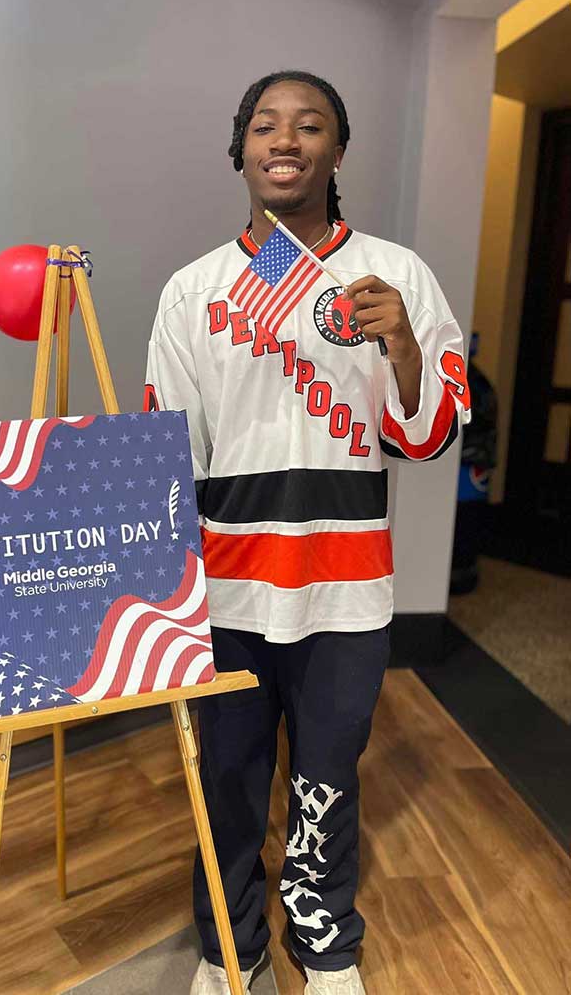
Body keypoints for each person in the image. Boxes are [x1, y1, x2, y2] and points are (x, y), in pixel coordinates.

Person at [144, 70, 471, 995]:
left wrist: (405, 348)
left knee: (327, 775)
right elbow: (173, 452)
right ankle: (230, 946)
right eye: (265, 125)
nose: (285, 140)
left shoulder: (396, 275)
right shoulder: (194, 290)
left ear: (337, 148)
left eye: (310, 124)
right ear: (240, 149)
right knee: (232, 777)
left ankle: (325, 945)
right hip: (231, 585)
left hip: (346, 583)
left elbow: (430, 434)